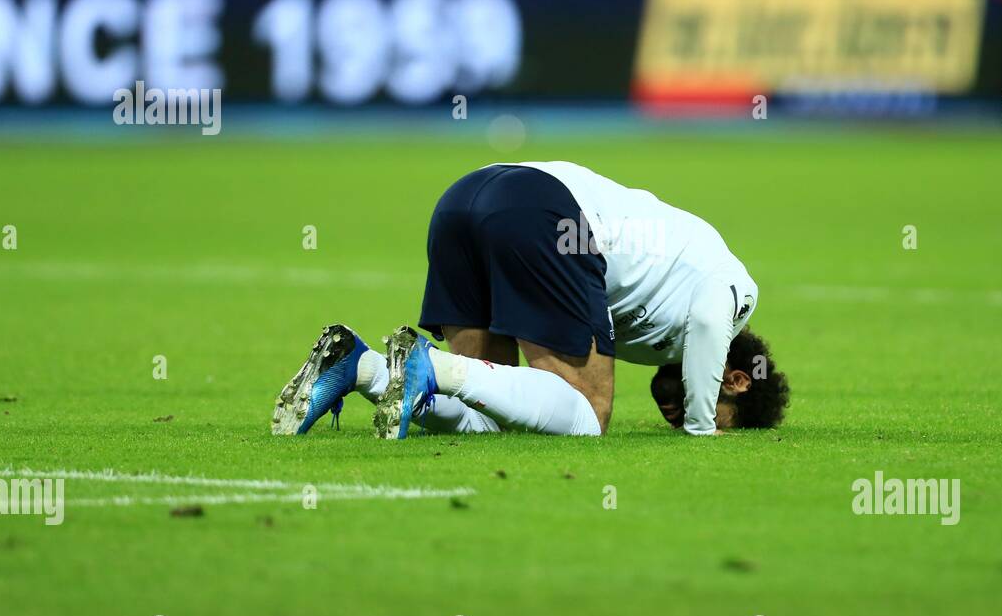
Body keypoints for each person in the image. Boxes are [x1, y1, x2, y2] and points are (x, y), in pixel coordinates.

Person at [272, 161, 788, 438]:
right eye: (725, 416)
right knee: (588, 418)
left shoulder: (659, 324)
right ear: (736, 382)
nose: (675, 420)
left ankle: (359, 367)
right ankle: (432, 367)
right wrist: (703, 429)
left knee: (492, 410)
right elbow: (705, 322)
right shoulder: (737, 289)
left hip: (466, 198)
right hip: (549, 214)